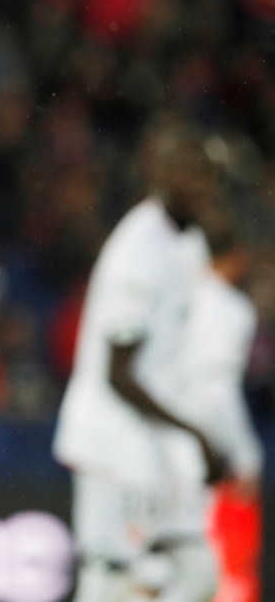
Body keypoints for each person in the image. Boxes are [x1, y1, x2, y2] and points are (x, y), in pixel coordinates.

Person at [52, 126, 226, 602]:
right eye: (194, 176)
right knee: (110, 583)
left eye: (211, 177)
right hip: (113, 441)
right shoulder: (139, 248)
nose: (206, 188)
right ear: (161, 176)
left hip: (150, 442)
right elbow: (119, 373)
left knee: (196, 573)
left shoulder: (186, 243)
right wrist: (194, 432)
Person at [157, 214, 262, 602]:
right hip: (207, 456)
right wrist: (244, 453)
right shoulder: (230, 309)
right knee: (220, 571)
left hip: (159, 446)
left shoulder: (172, 293)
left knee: (168, 568)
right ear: (237, 256)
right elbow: (215, 386)